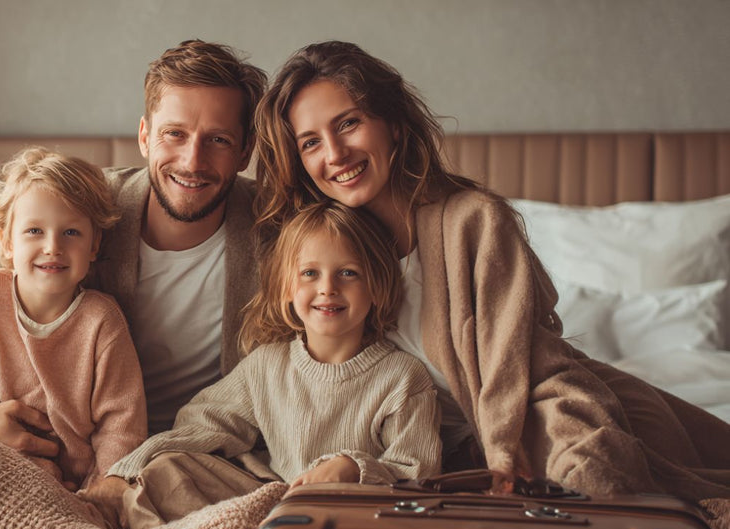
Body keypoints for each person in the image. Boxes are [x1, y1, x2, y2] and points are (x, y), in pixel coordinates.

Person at [254, 40, 730, 500]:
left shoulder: (473, 219)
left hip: (534, 403)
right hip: (446, 445)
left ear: (393, 125)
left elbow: (512, 363)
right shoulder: (322, 251)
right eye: (311, 142)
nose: (334, 154)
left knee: (595, 480)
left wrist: (503, 460)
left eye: (349, 123)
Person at [0, 39, 267, 488]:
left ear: (246, 151)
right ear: (144, 136)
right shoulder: (74, 211)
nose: (192, 161)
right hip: (65, 455)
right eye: (174, 133)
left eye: (218, 140)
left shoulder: (274, 230)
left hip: (194, 456)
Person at [102, 201, 441, 529]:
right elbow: (204, 422)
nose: (327, 288)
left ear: (377, 287)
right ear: (286, 290)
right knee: (167, 471)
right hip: (271, 499)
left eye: (348, 273)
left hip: (351, 516)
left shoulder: (403, 377)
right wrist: (127, 469)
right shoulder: (268, 364)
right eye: (310, 273)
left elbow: (419, 471)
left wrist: (352, 468)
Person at [0, 146, 146, 491]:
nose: (52, 247)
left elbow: (121, 423)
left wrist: (103, 490)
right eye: (34, 231)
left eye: (71, 232)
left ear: (94, 245)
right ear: (6, 241)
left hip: (79, 483)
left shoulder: (102, 321)